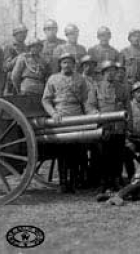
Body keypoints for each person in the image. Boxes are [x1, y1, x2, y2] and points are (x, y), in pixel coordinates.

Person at [42, 53, 89, 193]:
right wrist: (53, 113)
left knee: (77, 151)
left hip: (77, 117)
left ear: (74, 64)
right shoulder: (53, 79)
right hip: (60, 117)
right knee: (62, 152)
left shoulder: (80, 79)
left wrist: (88, 115)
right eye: (64, 62)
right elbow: (46, 100)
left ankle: (74, 182)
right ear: (60, 64)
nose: (67, 65)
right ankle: (63, 183)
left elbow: (86, 100)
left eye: (69, 62)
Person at [85, 60, 128, 193]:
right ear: (103, 73)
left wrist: (128, 125)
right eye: (108, 72)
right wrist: (96, 114)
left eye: (113, 71)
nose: (111, 74)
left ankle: (116, 181)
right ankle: (103, 183)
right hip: (103, 128)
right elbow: (89, 106)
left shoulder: (122, 88)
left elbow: (128, 107)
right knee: (102, 156)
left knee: (118, 155)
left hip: (118, 127)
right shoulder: (96, 87)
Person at [4, 25, 30, 94]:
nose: (24, 35)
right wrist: (19, 58)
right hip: (12, 82)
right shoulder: (9, 47)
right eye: (21, 33)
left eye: (25, 33)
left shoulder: (27, 48)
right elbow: (6, 67)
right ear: (15, 34)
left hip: (23, 80)